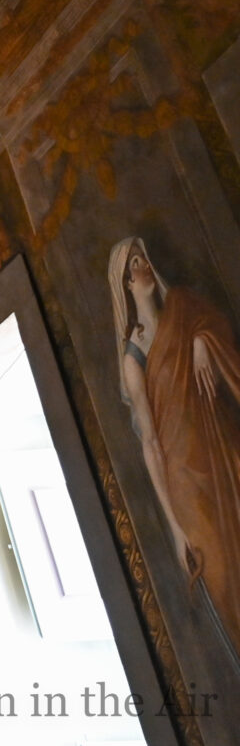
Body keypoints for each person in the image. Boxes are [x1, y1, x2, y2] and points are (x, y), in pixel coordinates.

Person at [108, 237, 240, 653]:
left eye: (143, 259)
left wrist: (201, 341)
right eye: (131, 267)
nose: (141, 268)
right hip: (185, 479)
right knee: (220, 571)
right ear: (125, 286)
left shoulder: (184, 309)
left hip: (220, 443)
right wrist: (175, 526)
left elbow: (215, 327)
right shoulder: (134, 358)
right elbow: (150, 443)